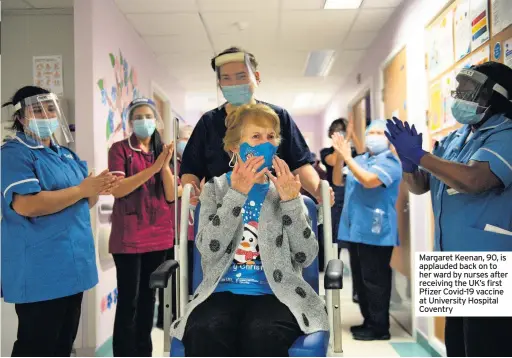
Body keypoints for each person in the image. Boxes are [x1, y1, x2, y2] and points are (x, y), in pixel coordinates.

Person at [170, 104, 329, 357]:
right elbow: (208, 250)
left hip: (277, 292)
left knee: (263, 331)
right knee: (205, 328)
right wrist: (237, 195)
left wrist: (290, 203)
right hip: (221, 289)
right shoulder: (215, 190)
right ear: (235, 146)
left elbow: (305, 256)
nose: (265, 144)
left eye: (271, 137)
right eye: (256, 137)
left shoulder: (286, 191)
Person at [385, 61, 512, 357]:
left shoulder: (506, 133)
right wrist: (409, 164)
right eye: (459, 90)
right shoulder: (459, 135)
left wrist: (419, 154)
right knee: (457, 345)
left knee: (487, 347)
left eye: (468, 92)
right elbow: (420, 187)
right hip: (448, 259)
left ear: (494, 96)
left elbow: (474, 179)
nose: (459, 97)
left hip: (488, 263)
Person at [1, 86, 117, 356]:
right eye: (37, 110)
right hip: (41, 270)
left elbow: (87, 201)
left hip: (72, 268)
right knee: (37, 346)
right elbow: (27, 205)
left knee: (63, 346)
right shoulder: (13, 153)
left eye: (50, 109)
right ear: (21, 117)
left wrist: (97, 187)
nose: (46, 115)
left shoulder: (66, 154)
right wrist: (82, 189)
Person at [180, 46, 334, 206]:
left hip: (273, 209)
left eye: (241, 76)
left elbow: (300, 164)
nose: (234, 84)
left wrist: (318, 191)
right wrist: (191, 191)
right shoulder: (208, 123)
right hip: (222, 209)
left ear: (257, 77)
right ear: (219, 84)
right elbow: (191, 168)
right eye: (226, 78)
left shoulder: (278, 117)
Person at [107, 98, 182, 356]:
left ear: (156, 121)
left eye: (148, 116)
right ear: (130, 122)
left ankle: (143, 351)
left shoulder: (165, 153)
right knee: (130, 301)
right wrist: (154, 167)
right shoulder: (119, 150)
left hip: (158, 236)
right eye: (138, 117)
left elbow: (171, 195)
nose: (144, 121)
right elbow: (119, 189)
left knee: (149, 300)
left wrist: (164, 164)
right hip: (128, 239)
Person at [332, 119, 401, 341]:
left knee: (375, 280)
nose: (375, 135)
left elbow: (369, 181)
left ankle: (380, 328)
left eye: (380, 132)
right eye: (371, 132)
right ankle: (368, 321)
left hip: (377, 231)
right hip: (355, 229)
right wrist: (340, 156)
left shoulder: (390, 162)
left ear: (389, 138)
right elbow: (337, 181)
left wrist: (348, 157)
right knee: (361, 280)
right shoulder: (360, 160)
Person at [156, 124, 195, 329]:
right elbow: (171, 193)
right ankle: (166, 320)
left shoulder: (196, 164)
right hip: (172, 233)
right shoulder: (170, 164)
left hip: (193, 233)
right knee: (170, 282)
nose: (185, 142)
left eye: (190, 139)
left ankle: (187, 318)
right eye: (183, 138)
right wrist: (188, 189)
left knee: (190, 280)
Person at [320, 117, 363, 301]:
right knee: (334, 245)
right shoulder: (326, 152)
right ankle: (333, 291)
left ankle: (358, 291)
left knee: (355, 248)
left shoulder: (352, 151)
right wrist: (343, 144)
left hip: (354, 198)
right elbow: (334, 161)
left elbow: (362, 156)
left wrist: (353, 135)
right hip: (334, 200)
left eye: (343, 133)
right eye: (337, 133)